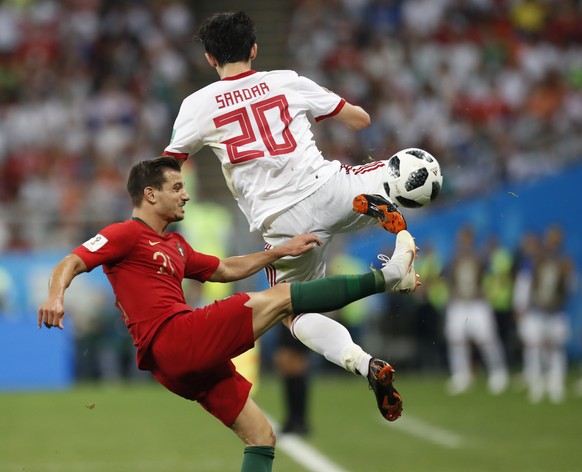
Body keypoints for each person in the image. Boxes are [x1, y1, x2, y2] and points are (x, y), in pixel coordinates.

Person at [38, 156, 417, 472]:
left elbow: (225, 269)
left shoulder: (175, 245)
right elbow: (71, 261)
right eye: (176, 188)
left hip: (177, 365)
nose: (186, 195)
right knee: (281, 297)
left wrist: (278, 252)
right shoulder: (126, 234)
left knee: (261, 436)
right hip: (175, 338)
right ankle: (389, 276)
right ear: (149, 195)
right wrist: (56, 296)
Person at [163, 10, 412, 435]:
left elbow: (170, 164)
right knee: (395, 169)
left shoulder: (197, 104)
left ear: (209, 59)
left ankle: (362, 362)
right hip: (329, 188)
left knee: (292, 311)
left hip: (282, 223)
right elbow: (360, 119)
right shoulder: (285, 79)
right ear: (254, 50)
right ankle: (395, 219)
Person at [444, 226, 509, 395]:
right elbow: (449, 279)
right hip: (458, 303)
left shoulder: (479, 257)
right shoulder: (454, 258)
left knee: (486, 338)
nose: (463, 241)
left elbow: (492, 277)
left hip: (477, 303)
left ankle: (498, 372)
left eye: (466, 238)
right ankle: (461, 374)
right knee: (456, 340)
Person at [514, 225, 574, 403]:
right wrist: (522, 305)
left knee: (556, 347)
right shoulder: (537, 260)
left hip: (556, 311)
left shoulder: (564, 261)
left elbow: (571, 287)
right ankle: (537, 382)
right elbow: (526, 283)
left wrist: (569, 275)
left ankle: (556, 383)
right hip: (538, 310)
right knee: (535, 346)